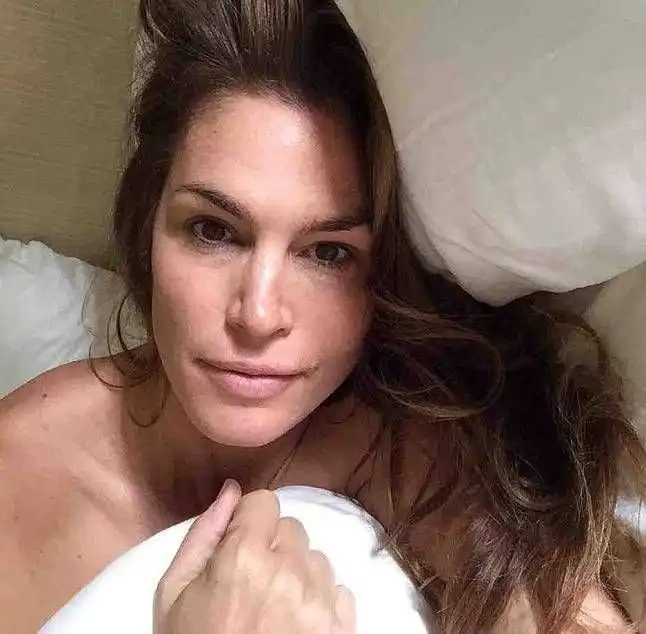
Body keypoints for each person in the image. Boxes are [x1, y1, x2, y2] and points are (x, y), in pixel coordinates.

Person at [0, 0, 644, 632]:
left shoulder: (392, 432)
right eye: (214, 230)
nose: (258, 314)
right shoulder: (21, 487)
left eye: (328, 253)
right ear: (147, 226)